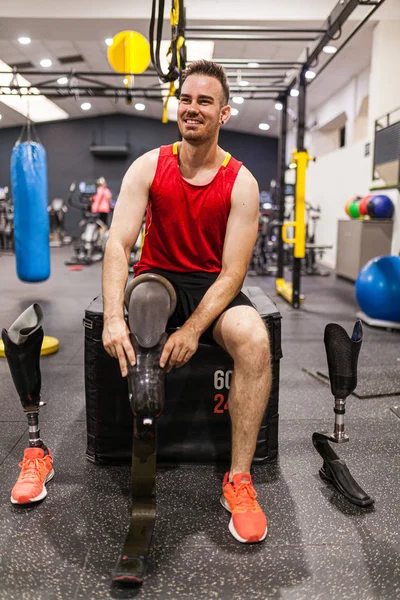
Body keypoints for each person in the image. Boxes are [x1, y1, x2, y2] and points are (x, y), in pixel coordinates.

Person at [102, 60, 272, 544]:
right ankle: (147, 379)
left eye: (204, 102)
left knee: (255, 339)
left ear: (224, 114)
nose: (192, 109)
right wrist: (114, 316)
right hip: (159, 277)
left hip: (211, 283)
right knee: (148, 298)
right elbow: (118, 245)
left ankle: (238, 480)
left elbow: (233, 272)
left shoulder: (241, 182)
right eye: (186, 100)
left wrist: (195, 329)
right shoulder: (148, 167)